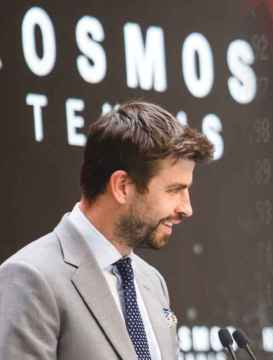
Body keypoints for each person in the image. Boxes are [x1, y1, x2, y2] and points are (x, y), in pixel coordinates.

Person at [0, 101, 213, 359]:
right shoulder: (31, 277)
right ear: (122, 186)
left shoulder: (151, 281)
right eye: (174, 190)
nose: (186, 208)